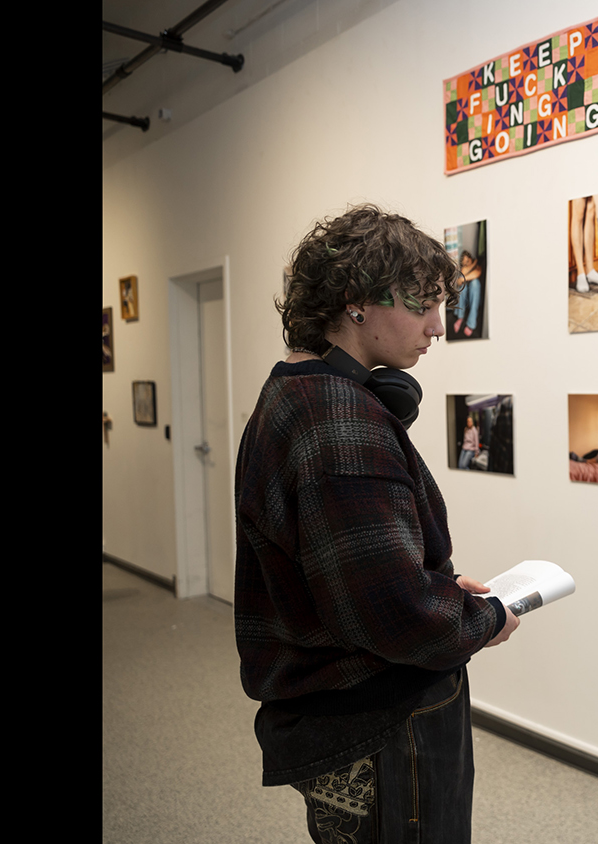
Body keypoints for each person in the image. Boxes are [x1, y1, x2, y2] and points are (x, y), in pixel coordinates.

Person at [235, 204, 520, 843]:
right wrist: (483, 618)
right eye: (422, 304)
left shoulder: (293, 391)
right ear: (356, 303)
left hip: (341, 716)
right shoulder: (341, 422)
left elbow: (357, 576)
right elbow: (391, 612)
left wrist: (437, 588)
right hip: (379, 719)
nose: (438, 327)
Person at [452, 250, 483, 337]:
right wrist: (471, 264)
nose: (466, 264)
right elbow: (461, 276)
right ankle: (460, 317)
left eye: (468, 261)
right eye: (464, 263)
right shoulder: (467, 268)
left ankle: (471, 323)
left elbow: (477, 273)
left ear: (471, 258)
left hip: (474, 300)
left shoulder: (478, 266)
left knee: (475, 282)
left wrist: (462, 279)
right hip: (464, 301)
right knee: (463, 285)